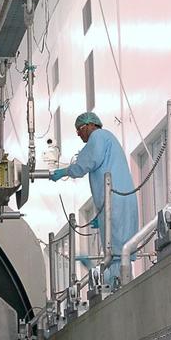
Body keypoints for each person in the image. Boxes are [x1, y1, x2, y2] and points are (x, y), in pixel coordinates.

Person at [50, 111, 139, 286]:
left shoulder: (98, 136)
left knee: (117, 251)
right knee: (119, 249)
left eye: (80, 129)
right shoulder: (108, 139)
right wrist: (100, 214)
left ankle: (118, 284)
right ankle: (115, 282)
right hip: (118, 200)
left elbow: (86, 163)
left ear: (91, 125)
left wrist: (65, 171)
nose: (79, 134)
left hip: (115, 200)